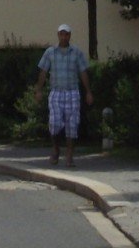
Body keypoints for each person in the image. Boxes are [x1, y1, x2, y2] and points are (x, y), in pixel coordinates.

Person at [35, 23, 93, 167]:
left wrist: (88, 91)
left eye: (66, 34)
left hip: (72, 92)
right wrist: (39, 89)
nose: (64, 37)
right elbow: (43, 71)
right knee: (54, 123)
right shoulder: (50, 52)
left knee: (72, 125)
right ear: (58, 35)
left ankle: (69, 155)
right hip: (56, 92)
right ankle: (55, 149)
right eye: (61, 34)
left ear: (69, 36)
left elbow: (83, 72)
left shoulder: (77, 52)